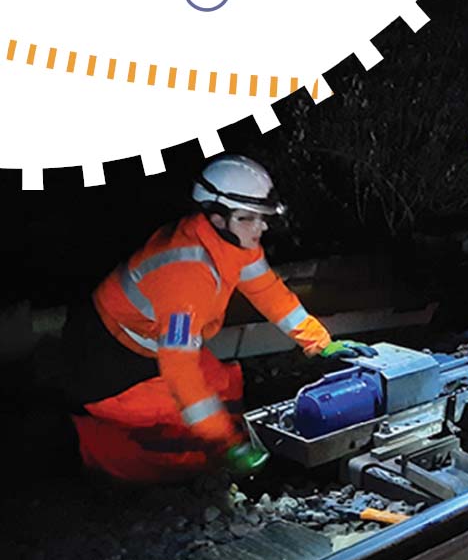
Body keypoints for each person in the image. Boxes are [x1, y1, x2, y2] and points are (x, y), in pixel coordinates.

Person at [62, 154, 374, 484]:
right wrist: (222, 443)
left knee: (223, 388)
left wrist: (320, 343)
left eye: (262, 217)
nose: (262, 226)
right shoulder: (186, 275)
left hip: (149, 342)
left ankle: (224, 451)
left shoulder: (233, 244)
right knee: (180, 444)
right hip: (106, 362)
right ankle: (79, 449)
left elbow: (269, 292)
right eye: (249, 218)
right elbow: (180, 370)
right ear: (218, 217)